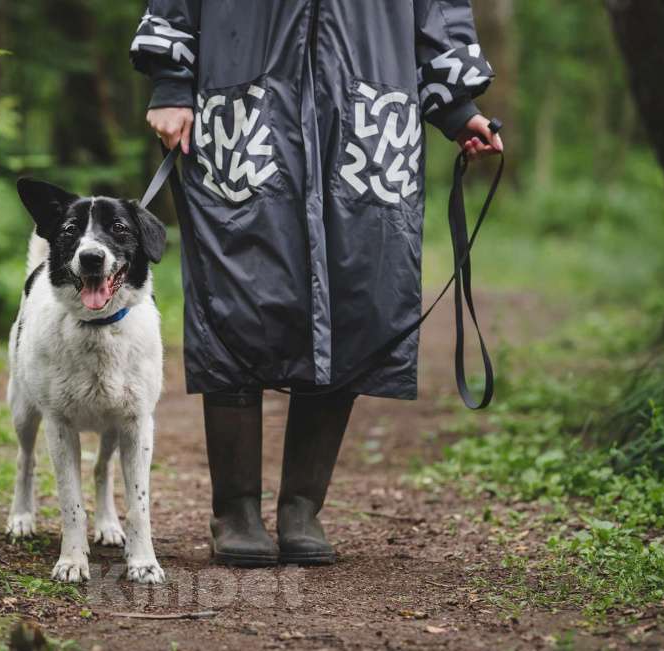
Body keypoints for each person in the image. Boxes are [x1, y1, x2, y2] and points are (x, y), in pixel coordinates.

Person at [129, 1, 503, 567]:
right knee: (237, 293)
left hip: (364, 113)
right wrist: (172, 83)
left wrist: (456, 107)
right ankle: (236, 510)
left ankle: (303, 506)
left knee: (354, 293)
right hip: (248, 102)